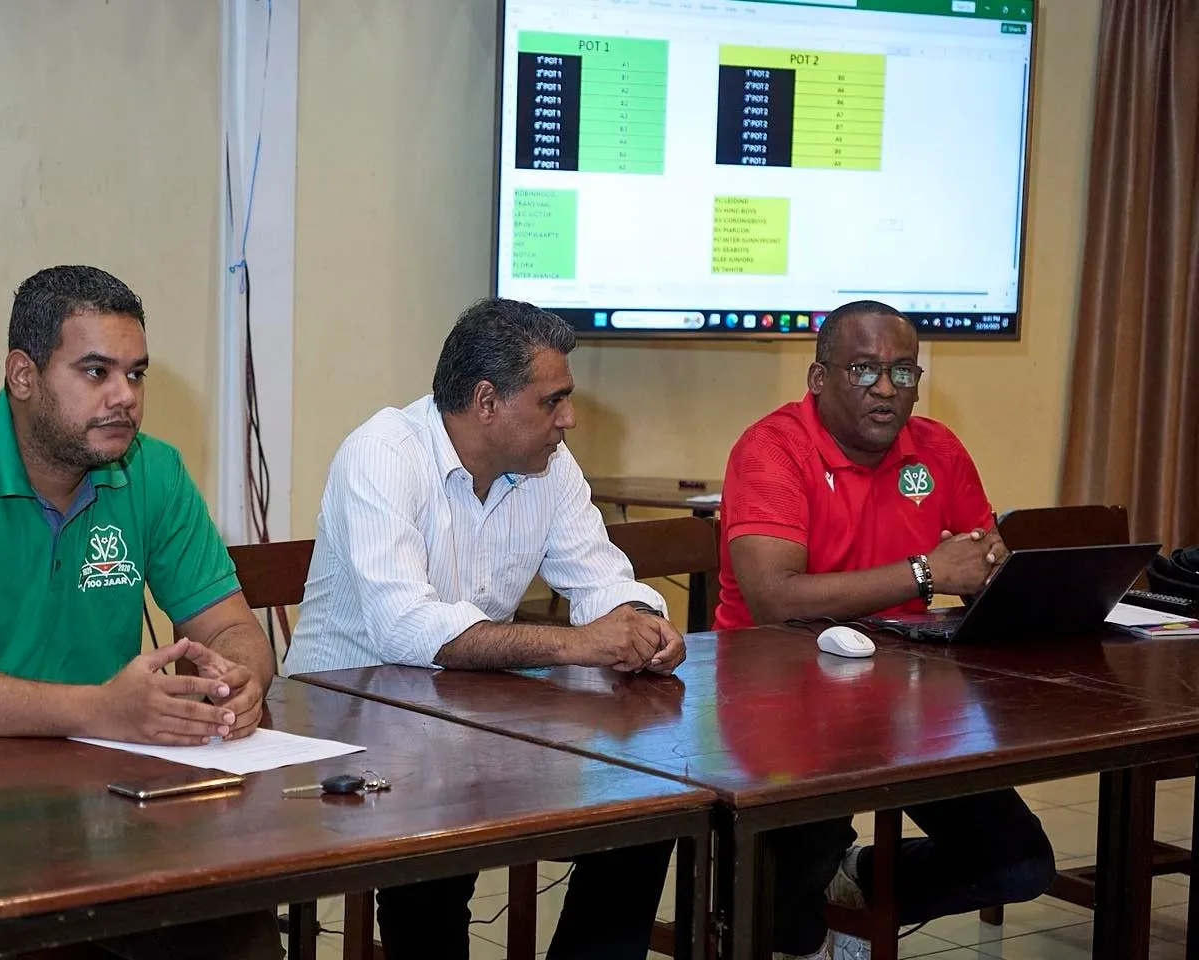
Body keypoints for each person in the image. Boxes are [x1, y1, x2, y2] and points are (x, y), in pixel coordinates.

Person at [0, 265, 282, 960]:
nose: (124, 396)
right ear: (23, 375)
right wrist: (99, 709)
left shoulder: (153, 473)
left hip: (95, 817)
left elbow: (232, 629)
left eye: (136, 374)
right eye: (96, 372)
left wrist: (240, 682)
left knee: (235, 928)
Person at [285, 296, 684, 960]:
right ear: (487, 401)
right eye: (553, 401)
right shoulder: (382, 453)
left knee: (642, 811)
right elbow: (404, 628)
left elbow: (601, 579)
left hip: (467, 718)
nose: (569, 419)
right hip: (346, 723)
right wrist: (578, 643)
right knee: (436, 846)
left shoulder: (548, 466)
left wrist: (642, 622)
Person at [715, 300, 1055, 960]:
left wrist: (991, 571)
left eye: (903, 372)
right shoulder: (772, 448)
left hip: (909, 701)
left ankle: (857, 886)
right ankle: (805, 903)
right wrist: (926, 572)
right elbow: (774, 598)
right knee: (784, 920)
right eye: (864, 369)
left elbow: (982, 560)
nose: (885, 388)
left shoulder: (936, 448)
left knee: (1019, 863)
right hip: (776, 702)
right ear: (819, 379)